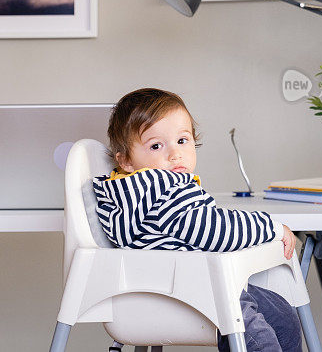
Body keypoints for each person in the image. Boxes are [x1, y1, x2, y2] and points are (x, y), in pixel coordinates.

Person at [92, 88, 301, 352]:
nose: (175, 154)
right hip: (184, 292)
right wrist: (271, 227)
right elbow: (218, 233)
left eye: (182, 140)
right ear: (126, 160)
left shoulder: (131, 190)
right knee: (259, 339)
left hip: (175, 285)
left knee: (281, 314)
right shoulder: (161, 190)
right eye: (156, 146)